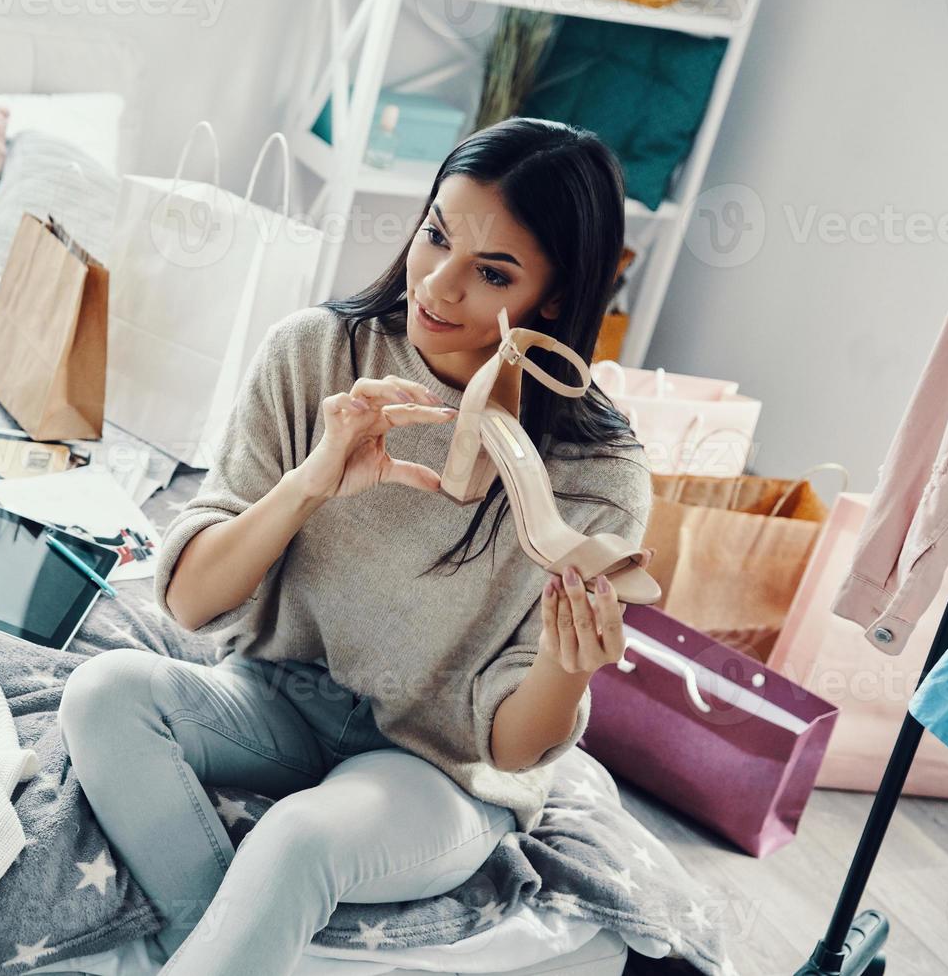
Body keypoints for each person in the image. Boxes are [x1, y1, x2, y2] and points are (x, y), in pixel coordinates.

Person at [57, 117, 654, 974]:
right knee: (103, 692)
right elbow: (188, 604)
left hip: (438, 769)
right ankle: (215, 945)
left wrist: (572, 666)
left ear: (556, 298)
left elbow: (514, 749)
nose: (439, 288)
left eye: (492, 273)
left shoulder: (598, 473)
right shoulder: (315, 354)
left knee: (299, 840)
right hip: (279, 702)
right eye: (435, 235)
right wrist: (309, 485)